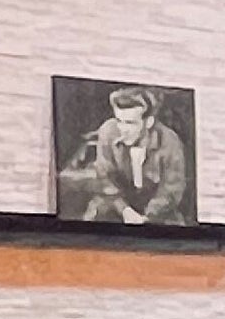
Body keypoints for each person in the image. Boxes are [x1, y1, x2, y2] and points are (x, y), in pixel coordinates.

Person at [56, 85, 192, 223]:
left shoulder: (170, 141)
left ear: (149, 122)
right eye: (119, 121)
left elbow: (172, 190)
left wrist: (147, 217)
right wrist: (125, 210)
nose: (123, 129)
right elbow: (104, 177)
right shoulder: (108, 130)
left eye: (130, 123)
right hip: (116, 202)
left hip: (157, 210)